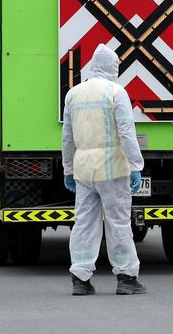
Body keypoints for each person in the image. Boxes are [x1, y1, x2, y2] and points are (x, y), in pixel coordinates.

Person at [62, 44, 146, 296]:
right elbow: (126, 132)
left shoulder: (73, 94)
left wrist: (68, 169)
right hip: (112, 169)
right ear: (112, 67)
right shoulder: (116, 92)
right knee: (118, 223)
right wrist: (136, 165)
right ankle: (126, 277)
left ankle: (80, 278)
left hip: (84, 170)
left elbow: (67, 137)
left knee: (84, 223)